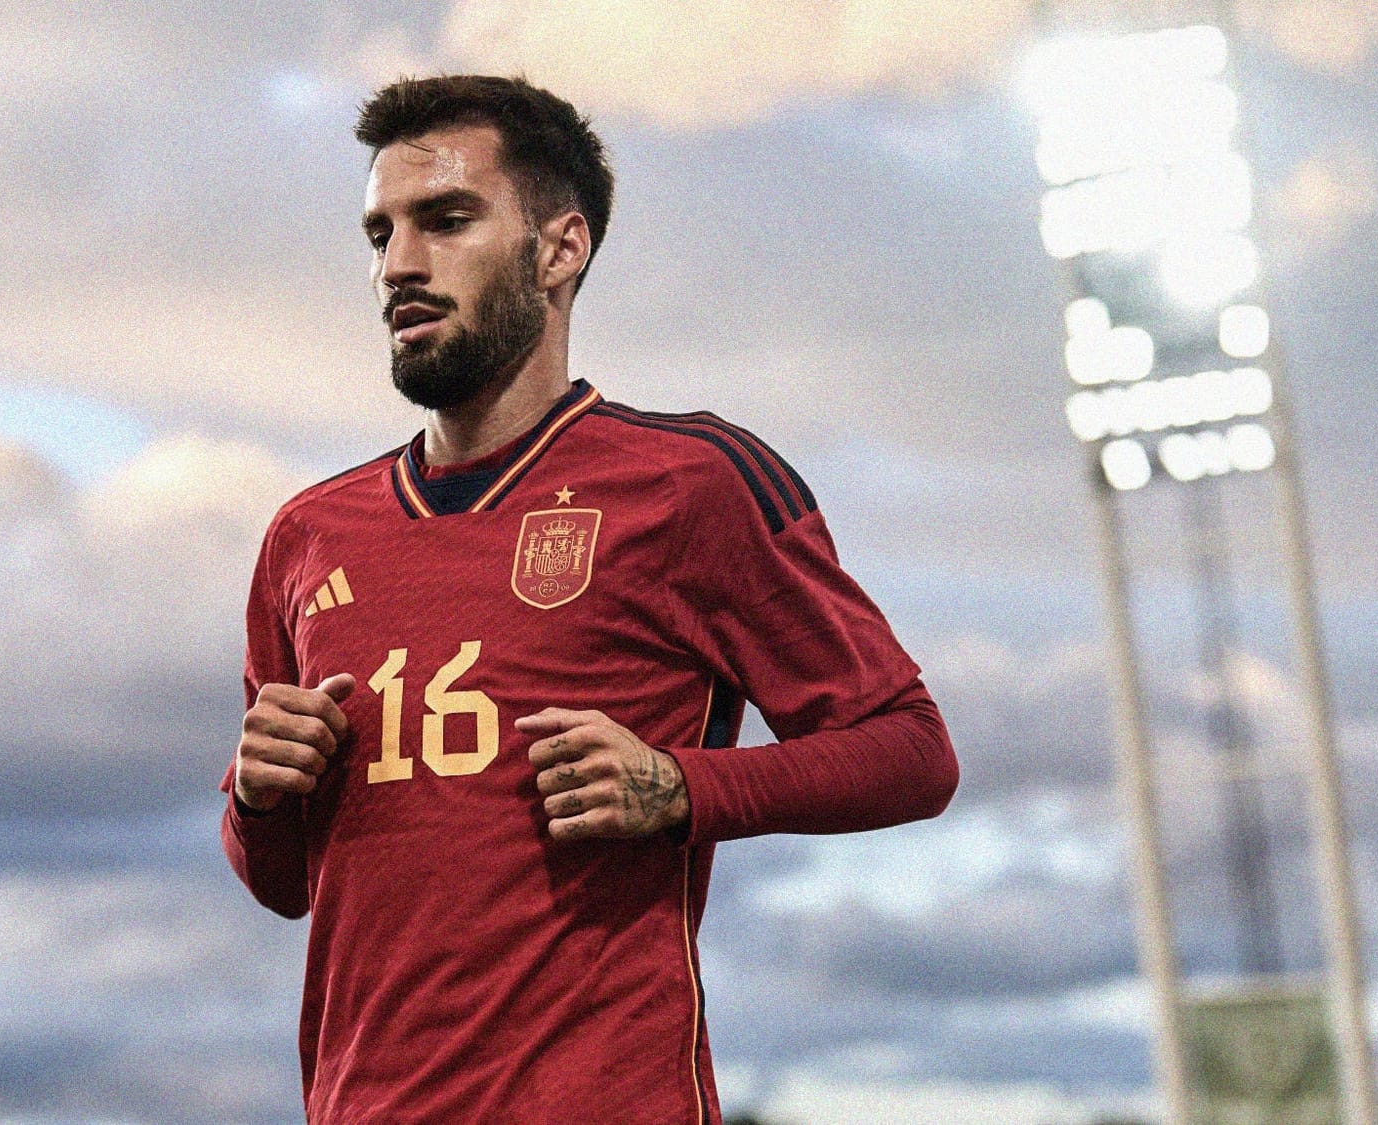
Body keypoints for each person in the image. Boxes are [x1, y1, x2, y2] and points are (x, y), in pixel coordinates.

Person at [219, 74, 958, 1124]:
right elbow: (283, 883)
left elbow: (910, 749)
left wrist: (681, 787)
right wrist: (254, 799)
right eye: (379, 233)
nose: (398, 266)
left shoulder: (689, 482)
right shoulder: (307, 534)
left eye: (445, 220)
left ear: (558, 249)